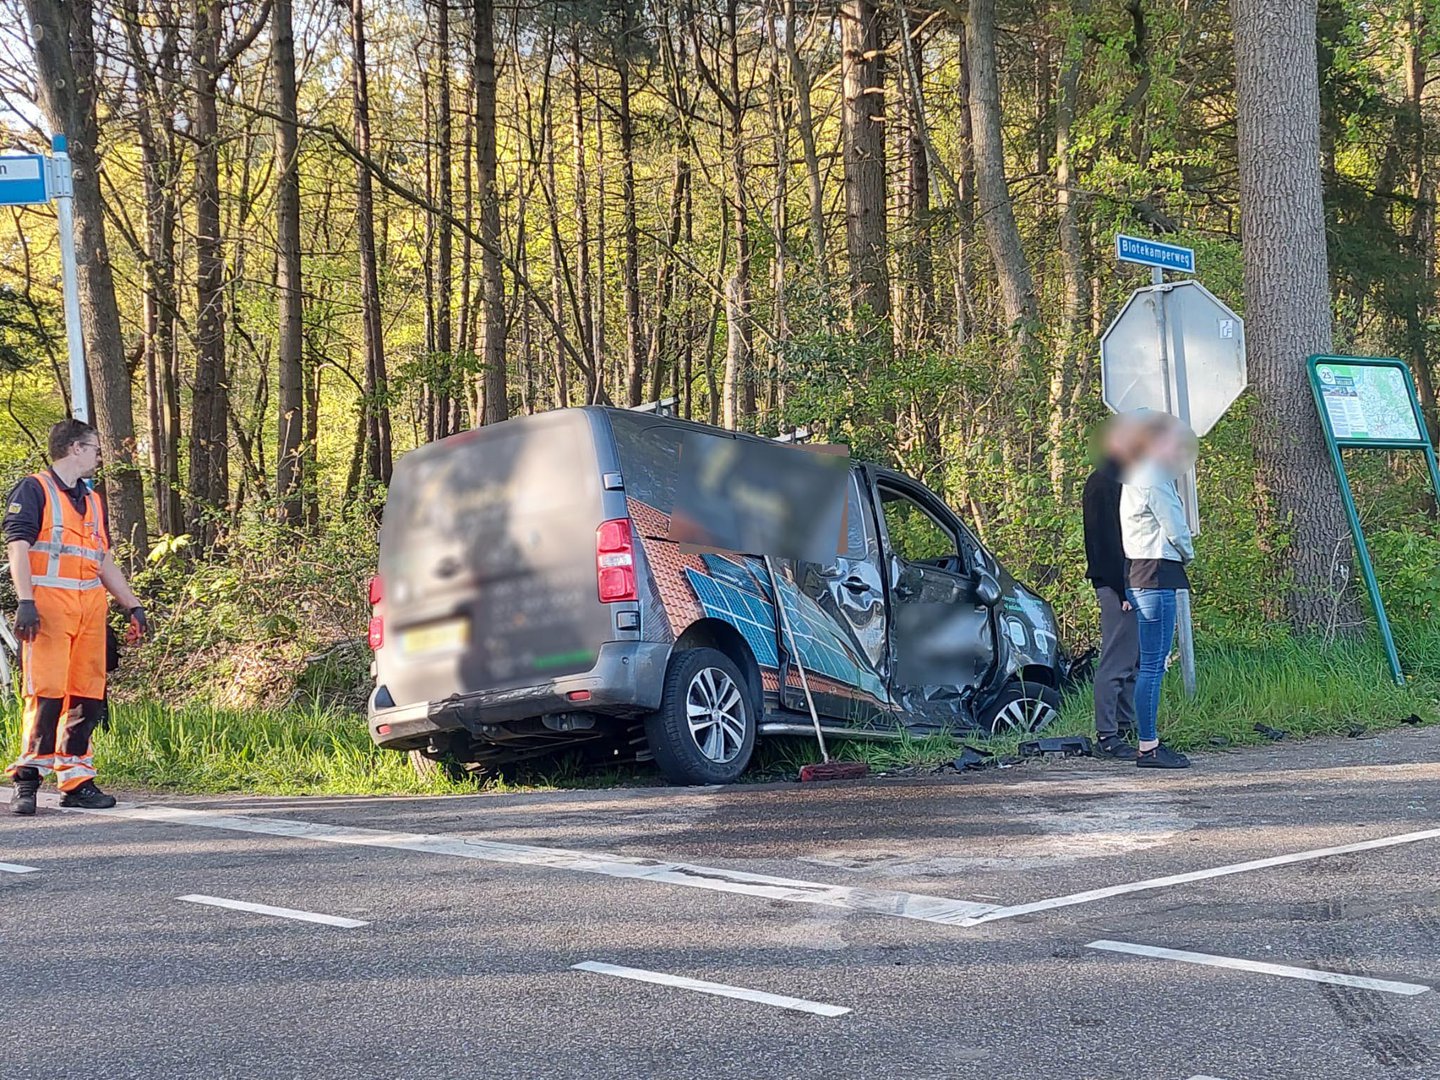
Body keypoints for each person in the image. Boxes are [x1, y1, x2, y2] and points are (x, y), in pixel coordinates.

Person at [5, 419, 147, 815]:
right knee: (46, 692)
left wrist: (132, 604)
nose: (99, 457)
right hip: (48, 609)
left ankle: (77, 781)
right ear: (75, 448)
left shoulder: (93, 501)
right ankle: (28, 779)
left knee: (87, 696)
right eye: (95, 449)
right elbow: (18, 547)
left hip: (90, 612)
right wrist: (25, 600)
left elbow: (102, 561)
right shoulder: (35, 489)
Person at [1120, 413, 1196, 770]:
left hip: (1138, 570)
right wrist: (1188, 553)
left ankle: (1148, 741)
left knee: (1149, 663)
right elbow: (1175, 525)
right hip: (1157, 571)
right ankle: (1148, 746)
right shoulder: (1152, 475)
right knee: (1154, 664)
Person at [1083, 416, 1143, 761]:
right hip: (1117, 583)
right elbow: (1107, 542)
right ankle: (1107, 735)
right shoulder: (1106, 483)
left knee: (1131, 661)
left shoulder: (1117, 480)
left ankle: (1126, 725)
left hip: (1125, 581)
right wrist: (1124, 589)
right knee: (1116, 661)